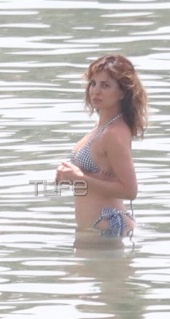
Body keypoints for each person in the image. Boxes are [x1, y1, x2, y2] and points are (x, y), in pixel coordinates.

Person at [56, 54, 147, 243]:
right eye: (93, 83)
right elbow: (98, 177)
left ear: (122, 92)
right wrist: (70, 176)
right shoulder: (102, 128)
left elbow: (130, 190)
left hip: (106, 229)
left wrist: (79, 178)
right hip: (94, 230)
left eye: (105, 85)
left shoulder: (114, 133)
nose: (96, 91)